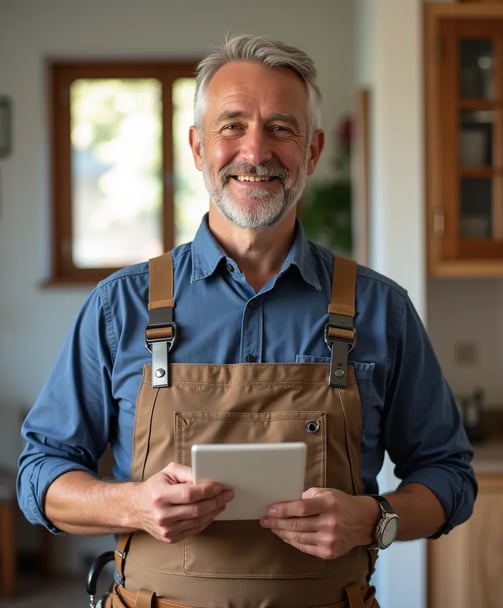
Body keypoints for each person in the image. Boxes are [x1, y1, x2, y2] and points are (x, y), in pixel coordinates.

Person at [17, 34, 476, 608]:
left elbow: (449, 476)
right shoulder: (120, 307)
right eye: (231, 125)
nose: (255, 151)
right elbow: (40, 475)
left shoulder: (381, 309)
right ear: (197, 146)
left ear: (311, 152)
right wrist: (131, 504)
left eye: (281, 128)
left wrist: (374, 519)